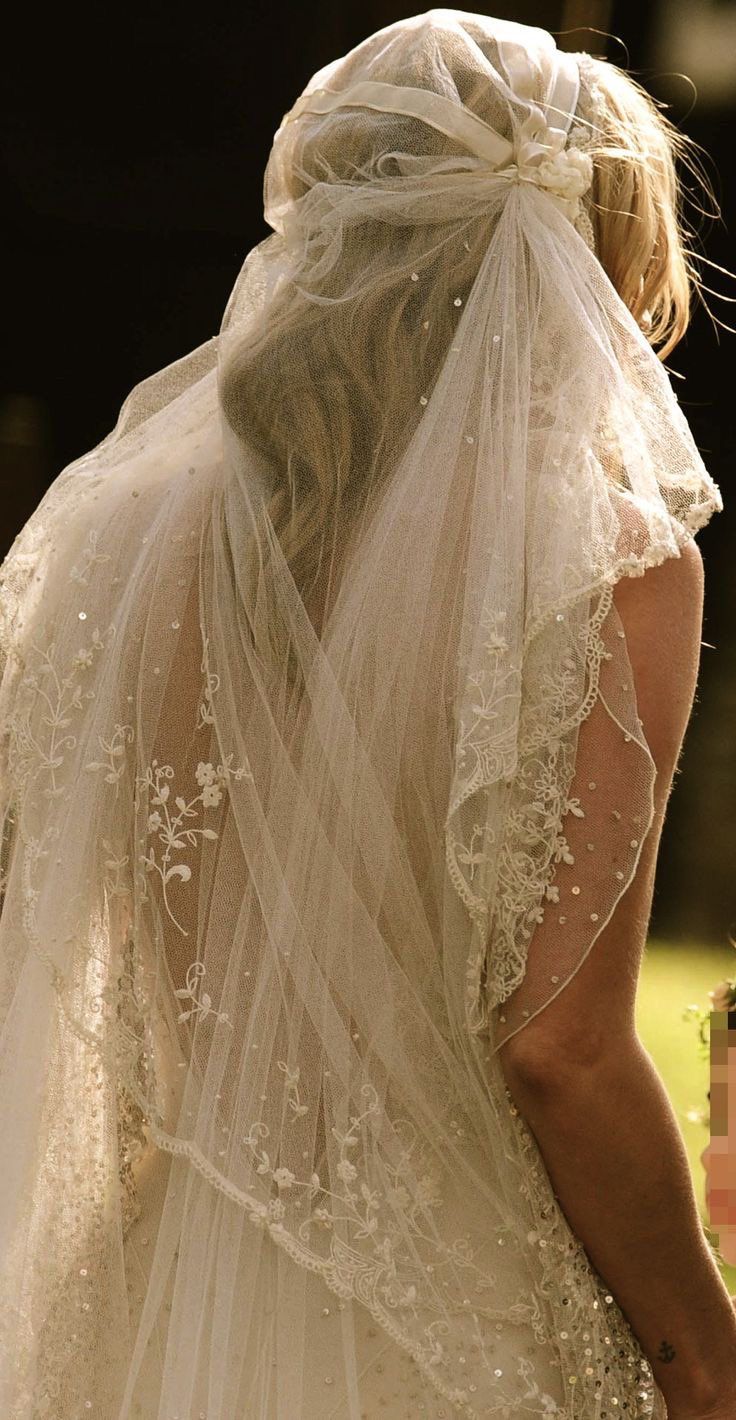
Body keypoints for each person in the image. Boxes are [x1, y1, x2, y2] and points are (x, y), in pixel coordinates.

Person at [0, 9, 732, 1418]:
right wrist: (705, 1354)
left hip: (156, 1298)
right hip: (448, 1324)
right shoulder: (609, 561)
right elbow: (560, 1051)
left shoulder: (128, 534)